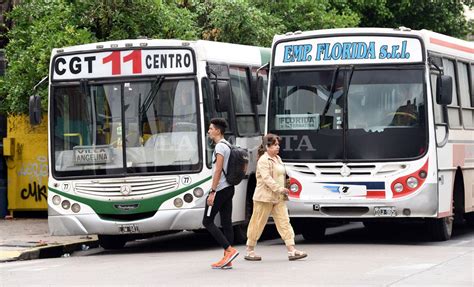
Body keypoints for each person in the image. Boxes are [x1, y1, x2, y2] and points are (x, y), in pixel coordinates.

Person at [245, 133, 307, 261]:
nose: (278, 147)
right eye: (275, 145)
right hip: (264, 198)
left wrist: (287, 185)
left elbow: (283, 175)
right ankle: (250, 250)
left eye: (278, 144)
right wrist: (279, 189)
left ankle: (292, 250)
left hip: (279, 198)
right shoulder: (263, 160)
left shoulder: (278, 158)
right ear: (267, 147)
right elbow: (267, 178)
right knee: (257, 223)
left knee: (284, 222)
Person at [202, 118, 239, 269]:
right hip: (229, 188)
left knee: (207, 221)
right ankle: (227, 260)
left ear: (217, 130)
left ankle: (229, 251)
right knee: (226, 222)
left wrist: (212, 191)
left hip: (221, 189)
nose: (209, 131)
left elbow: (218, 170)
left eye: (211, 128)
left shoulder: (219, 147)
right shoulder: (228, 145)